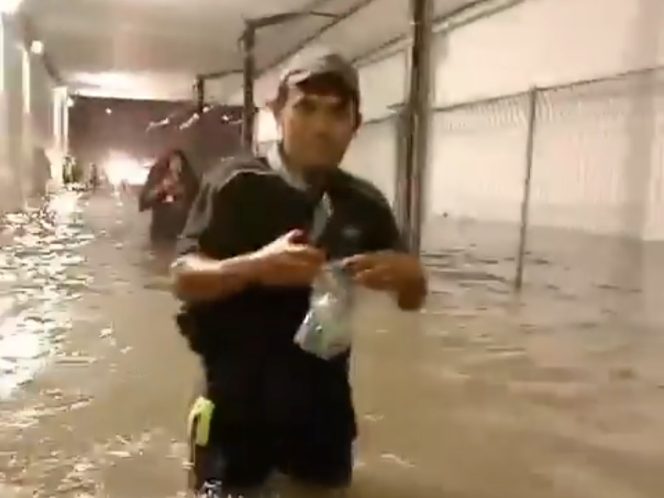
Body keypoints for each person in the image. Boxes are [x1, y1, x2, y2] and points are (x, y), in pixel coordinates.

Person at [171, 49, 427, 497]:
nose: (321, 127)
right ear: (276, 113)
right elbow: (183, 277)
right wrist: (254, 267)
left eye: (336, 113)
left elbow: (412, 299)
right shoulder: (236, 185)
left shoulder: (364, 205)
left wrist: (409, 275)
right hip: (234, 409)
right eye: (305, 108)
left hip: (321, 415)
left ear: (356, 124)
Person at [139, 149, 199, 245]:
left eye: (178, 163)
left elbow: (199, 206)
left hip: (183, 233)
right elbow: (143, 202)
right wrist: (161, 189)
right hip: (161, 234)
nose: (175, 166)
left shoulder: (190, 180)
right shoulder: (157, 177)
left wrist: (181, 191)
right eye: (172, 162)